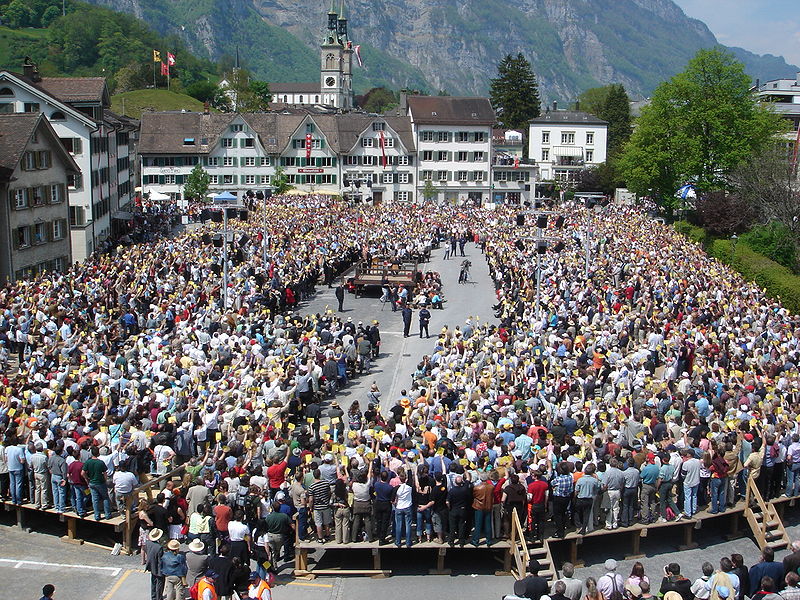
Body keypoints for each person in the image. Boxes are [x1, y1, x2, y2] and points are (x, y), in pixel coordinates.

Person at [82, 446, 112, 521]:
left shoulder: (88, 462)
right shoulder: (100, 462)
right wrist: (105, 480)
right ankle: (107, 514)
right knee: (105, 497)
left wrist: (87, 478)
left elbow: (82, 473)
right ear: (98, 453)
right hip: (100, 482)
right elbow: (105, 473)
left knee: (95, 499)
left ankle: (97, 515)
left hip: (92, 482)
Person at [144, 528, 165, 600]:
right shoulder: (159, 547)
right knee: (159, 584)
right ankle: (159, 597)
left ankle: (153, 597)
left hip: (151, 565)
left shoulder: (148, 543)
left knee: (153, 582)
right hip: (158, 568)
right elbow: (160, 559)